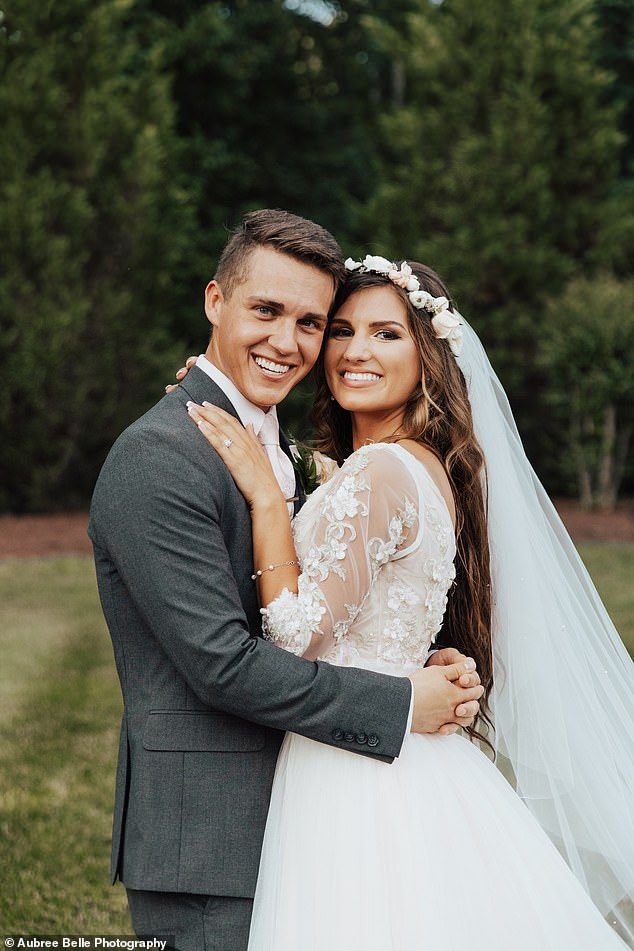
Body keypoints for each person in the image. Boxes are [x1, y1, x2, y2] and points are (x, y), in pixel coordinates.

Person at [185, 253, 633, 949]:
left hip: (356, 772)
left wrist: (269, 503)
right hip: (403, 746)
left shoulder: (382, 470)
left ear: (428, 355)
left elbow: (296, 633)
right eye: (342, 331)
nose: (356, 350)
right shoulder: (413, 464)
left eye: (386, 334)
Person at [88, 211, 485, 951]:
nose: (288, 341)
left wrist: (416, 658)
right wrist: (401, 700)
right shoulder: (159, 458)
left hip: (315, 814)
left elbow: (333, 592)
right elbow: (224, 664)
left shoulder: (287, 453)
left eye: (311, 321)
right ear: (215, 301)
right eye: (265, 311)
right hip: (209, 840)